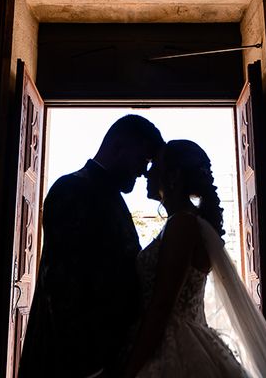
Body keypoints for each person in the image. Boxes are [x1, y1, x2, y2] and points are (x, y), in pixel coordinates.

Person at [122, 139, 266, 378]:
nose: (147, 174)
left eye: (155, 166)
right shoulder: (185, 222)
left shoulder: (181, 225)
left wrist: (129, 370)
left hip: (171, 345)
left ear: (172, 176)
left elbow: (162, 306)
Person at [18, 114, 165, 378]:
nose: (144, 171)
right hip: (75, 365)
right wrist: (91, 367)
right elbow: (63, 286)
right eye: (143, 159)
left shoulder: (108, 196)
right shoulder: (72, 189)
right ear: (119, 146)